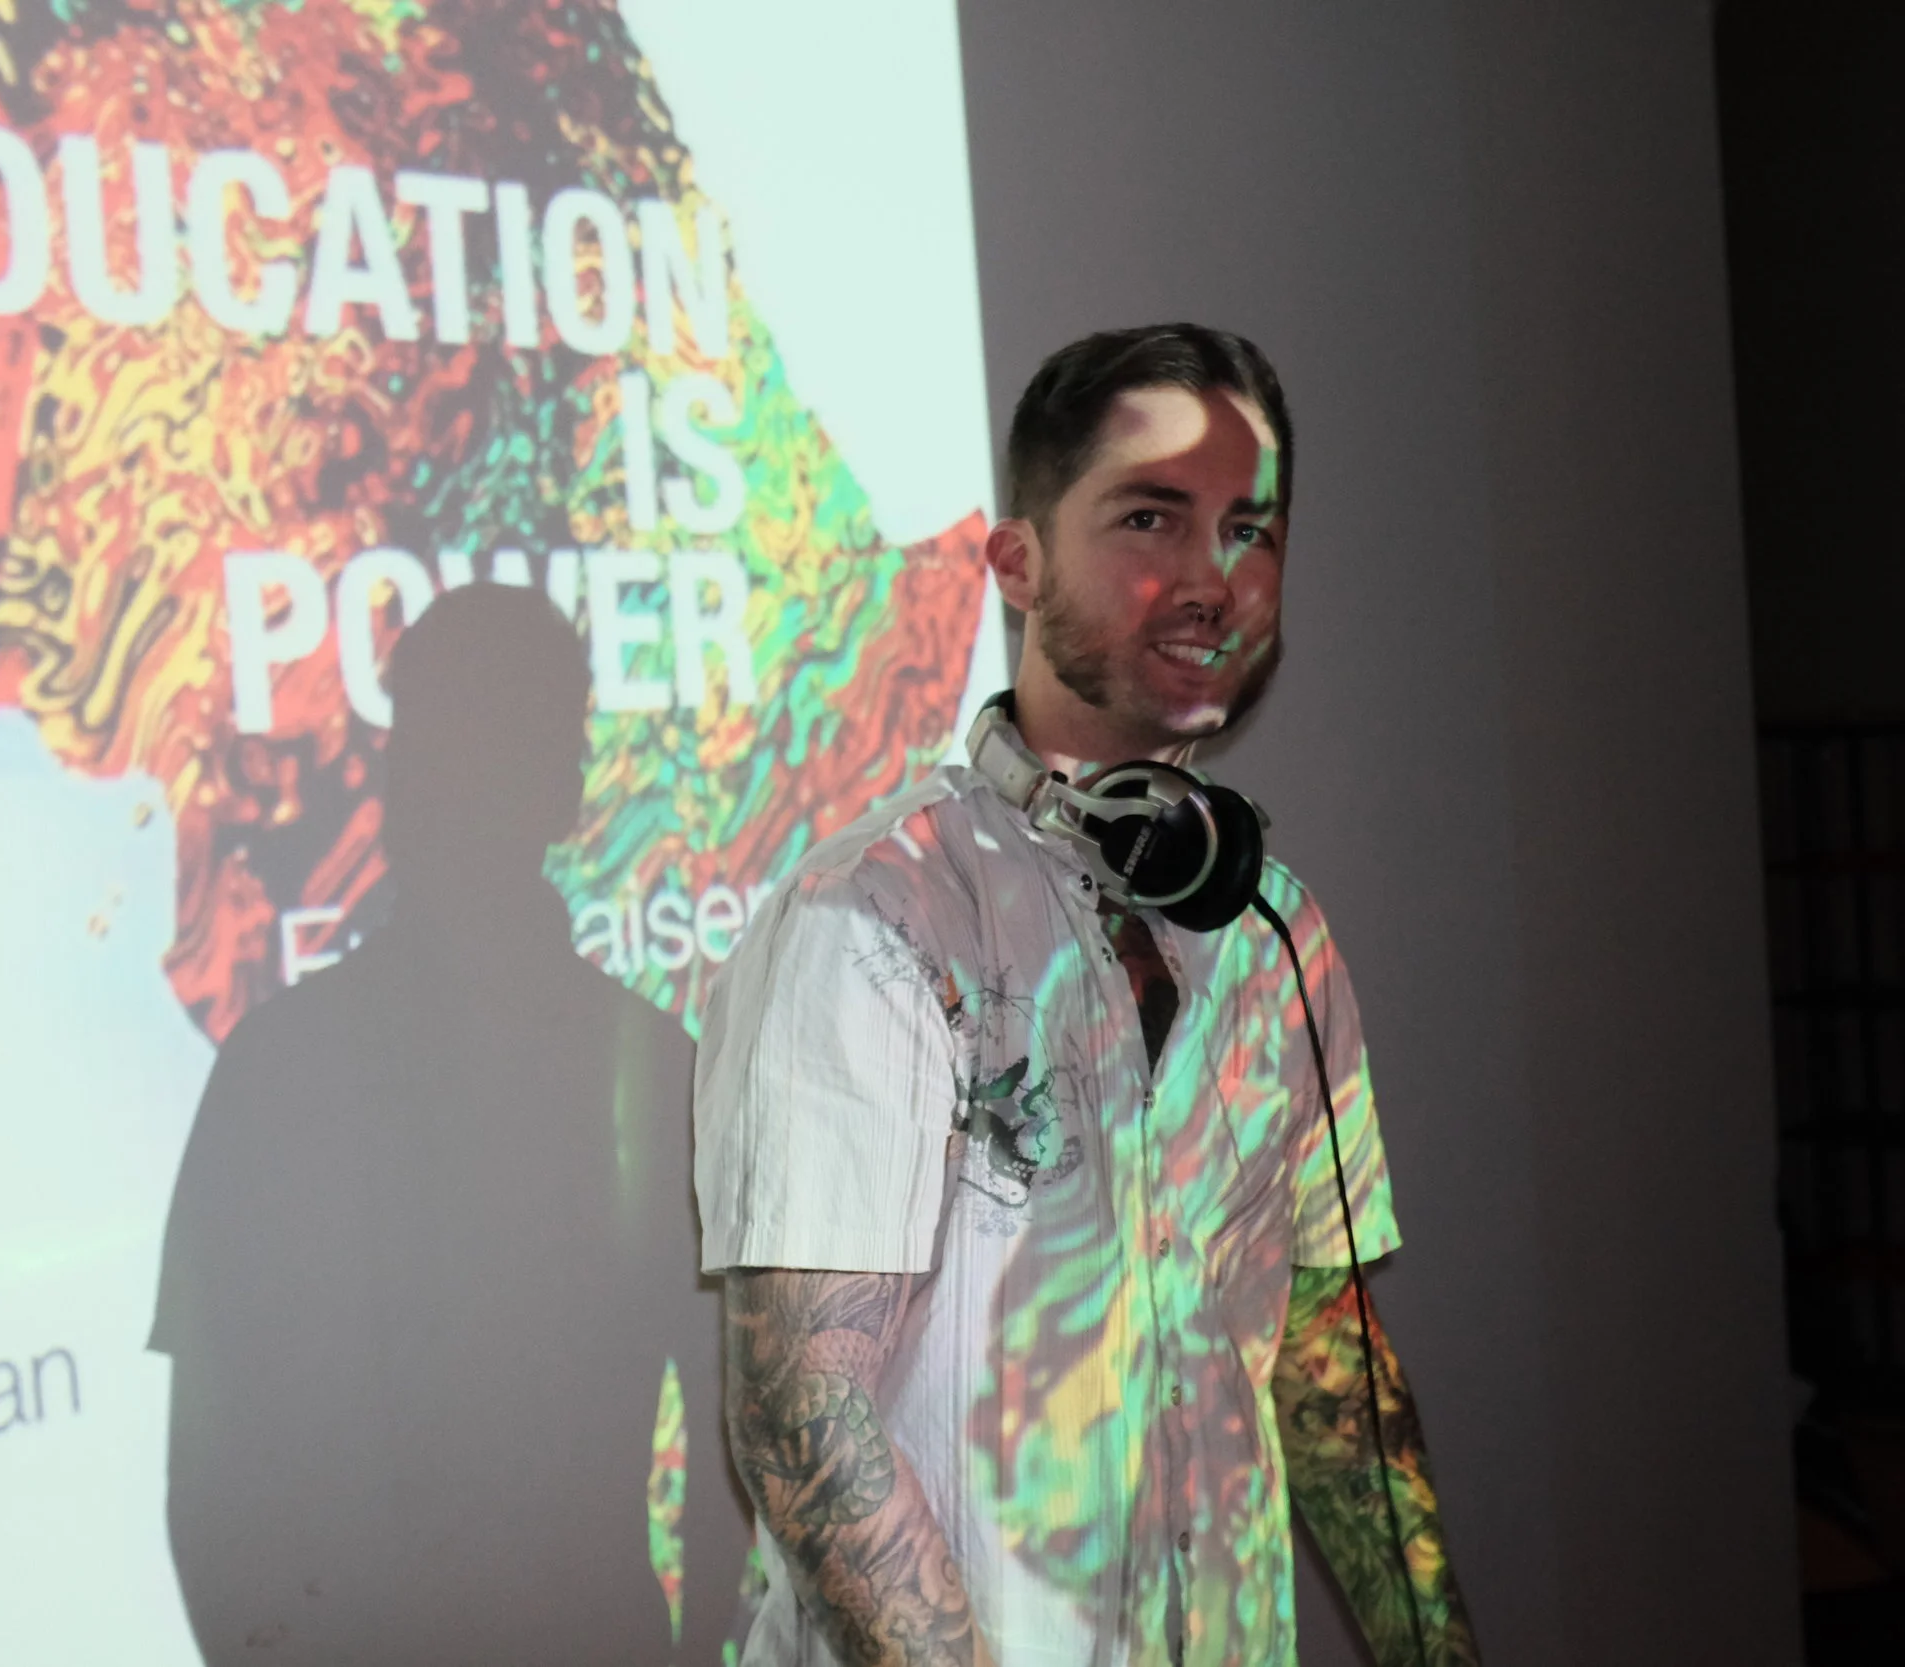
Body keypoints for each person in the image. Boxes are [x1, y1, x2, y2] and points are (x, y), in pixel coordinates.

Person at [693, 325, 1478, 1666]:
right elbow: (802, 1412)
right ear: (1017, 561)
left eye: (1249, 528)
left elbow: (1323, 1353)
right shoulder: (871, 915)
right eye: (1149, 517)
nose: (1212, 578)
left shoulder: (1277, 928)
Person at [151, 585, 747, 1663]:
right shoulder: (657, 1070)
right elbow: (210, 1484)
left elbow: (728, 1454)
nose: (438, 785)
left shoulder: (656, 1077)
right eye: (427, 748)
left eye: (465, 748)